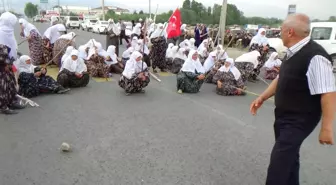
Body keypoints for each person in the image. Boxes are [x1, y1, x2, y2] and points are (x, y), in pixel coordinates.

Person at [250, 14, 336, 185]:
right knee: (290, 158)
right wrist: (262, 97)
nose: (279, 33)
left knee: (279, 163)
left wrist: (326, 128)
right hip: (284, 115)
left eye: (281, 29)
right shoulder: (291, 52)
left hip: (300, 118)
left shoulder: (316, 57)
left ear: (290, 32)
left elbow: (328, 93)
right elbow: (281, 78)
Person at [0, 12, 26, 114]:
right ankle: (3, 106)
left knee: (11, 83)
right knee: (3, 86)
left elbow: (11, 47)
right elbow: (1, 50)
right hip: (2, 65)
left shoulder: (8, 32)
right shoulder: (1, 32)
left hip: (9, 63)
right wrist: (5, 63)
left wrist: (11, 61)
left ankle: (11, 101)